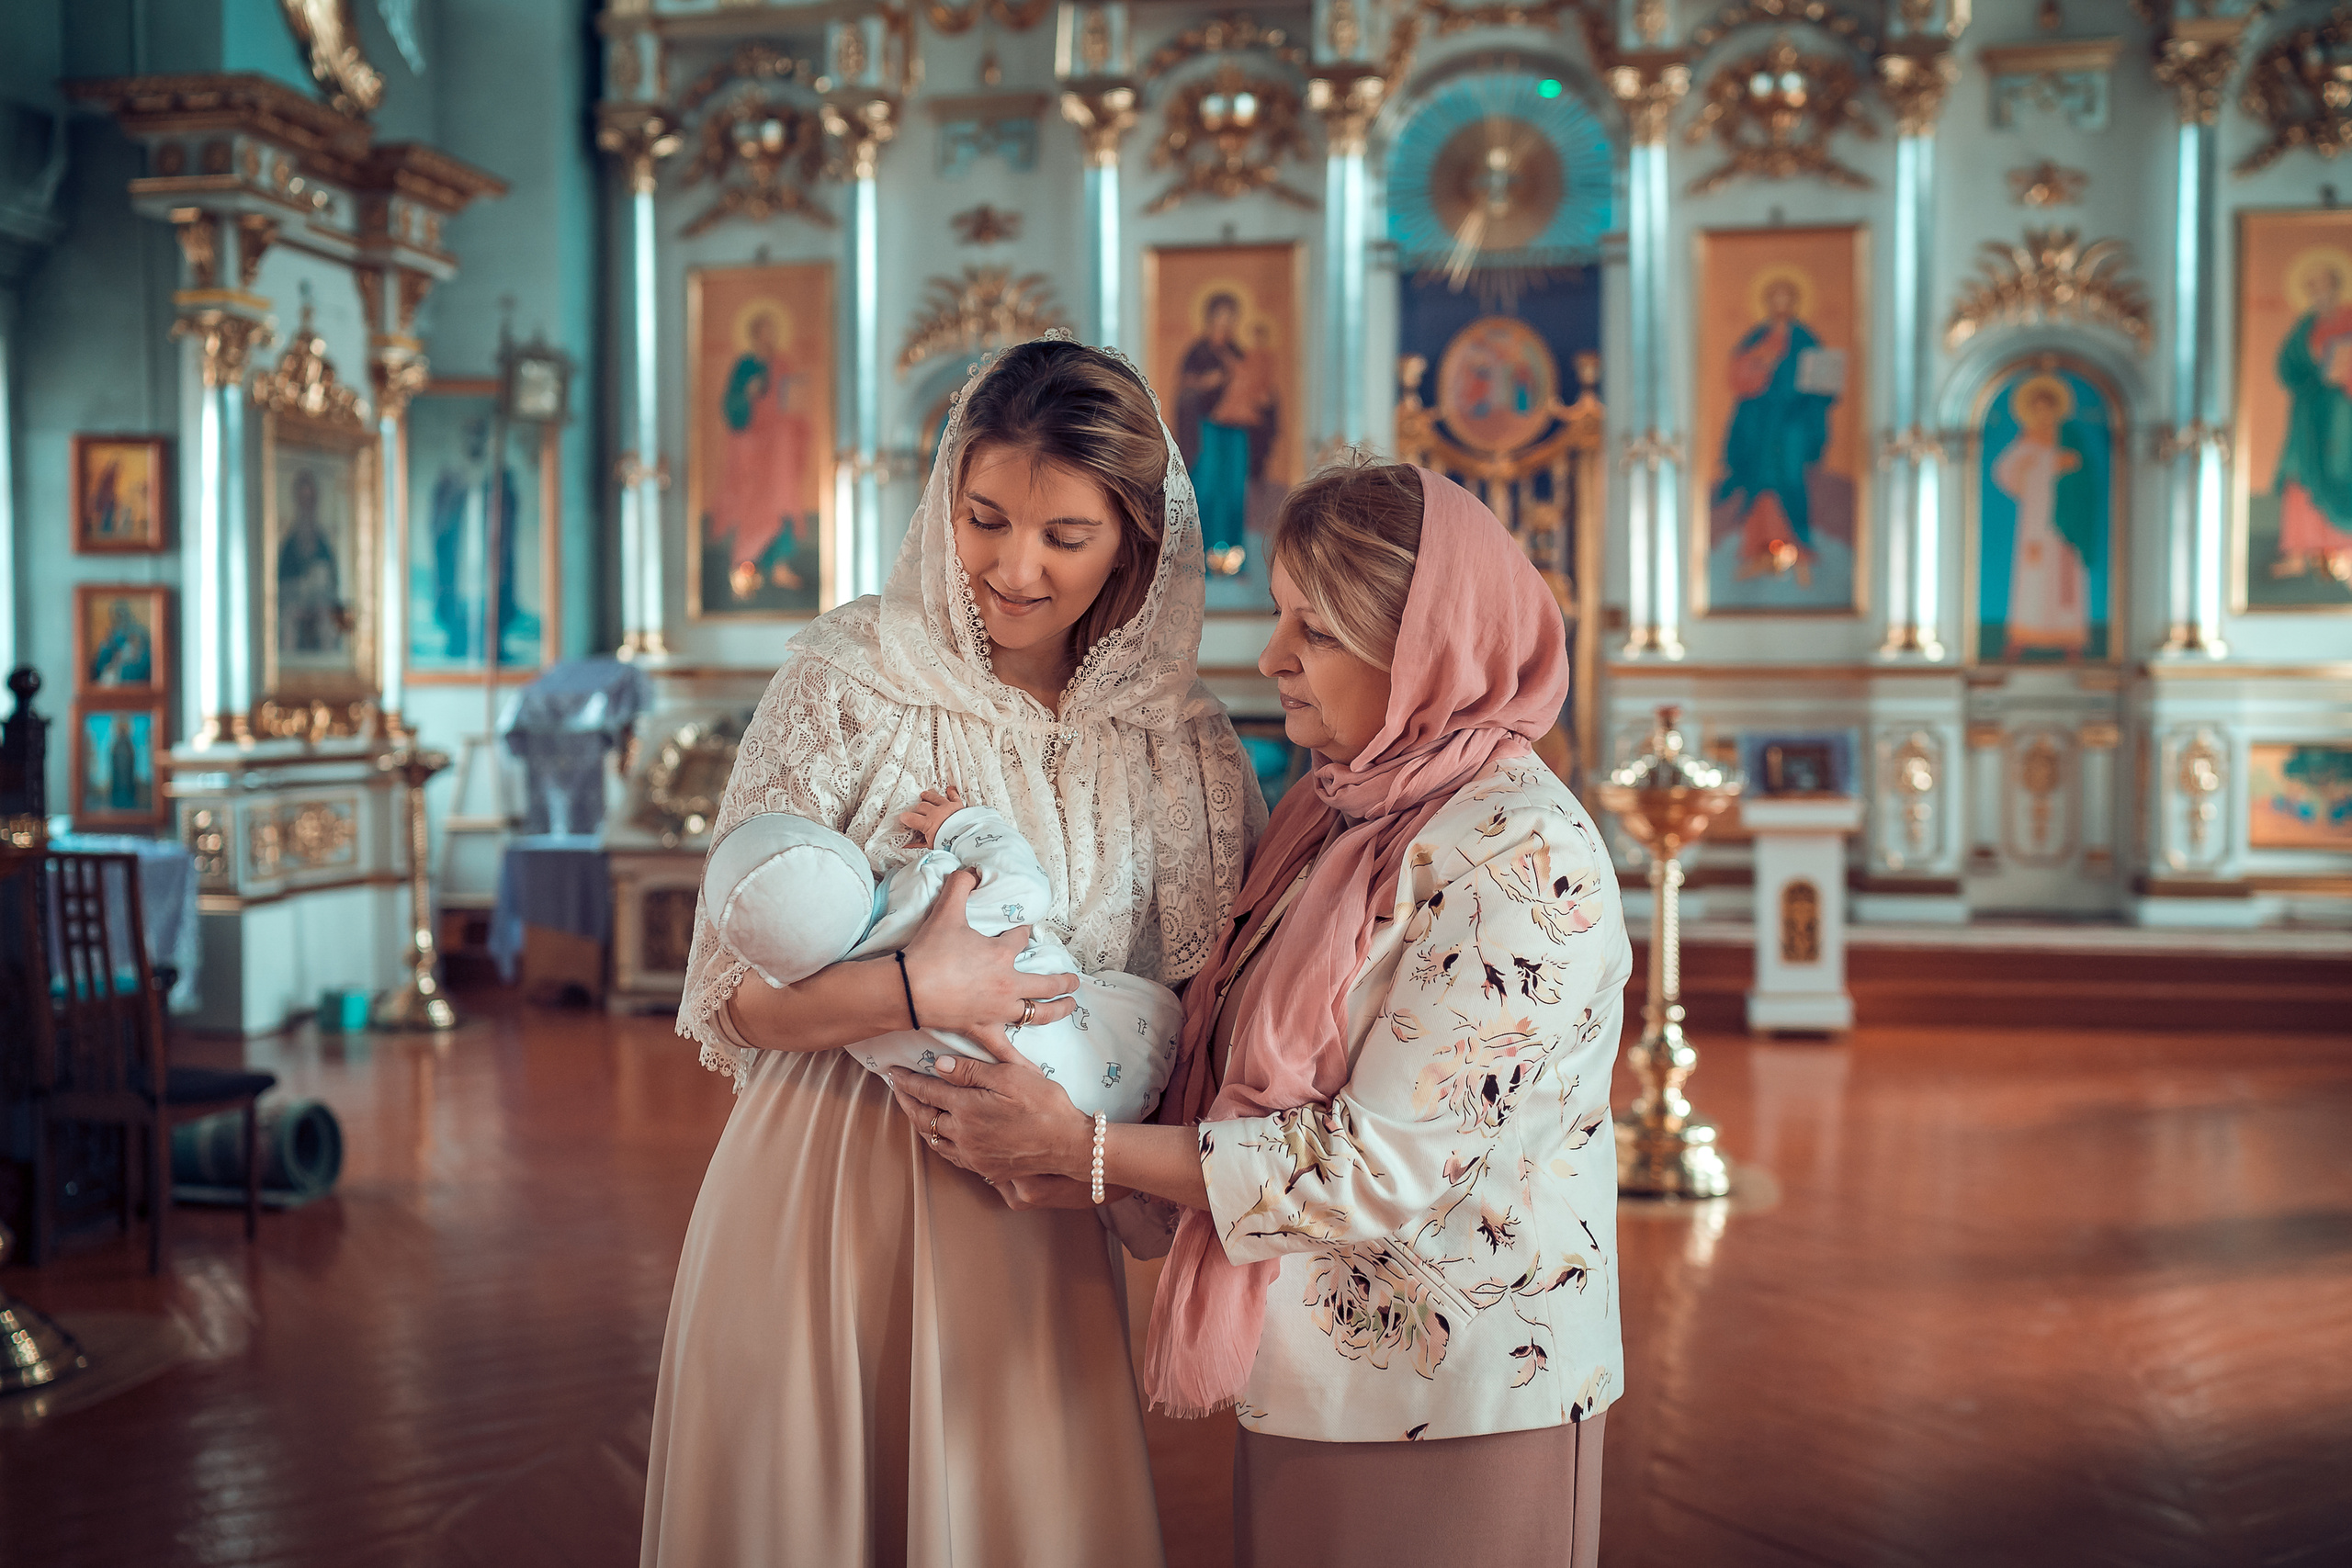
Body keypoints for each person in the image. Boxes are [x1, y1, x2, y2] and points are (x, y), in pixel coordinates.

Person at [894, 461, 1631, 1568]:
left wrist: (1085, 1150)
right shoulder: (1338, 814)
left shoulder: (1520, 855)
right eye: (1281, 614)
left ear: (1423, 650)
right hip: (1311, 1369)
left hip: (1465, 1389)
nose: (1271, 655)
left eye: (1316, 631)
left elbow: (1373, 1167)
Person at [641, 336, 1264, 1567]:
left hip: (1034, 1191)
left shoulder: (1182, 743)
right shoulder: (848, 676)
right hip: (829, 1177)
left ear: (1138, 539)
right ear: (944, 497)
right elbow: (732, 995)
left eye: (1064, 537)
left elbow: (1211, 1006)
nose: (1013, 568)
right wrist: (920, 985)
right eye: (984, 518)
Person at [699, 784, 1182, 1121]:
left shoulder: (850, 1027)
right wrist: (965, 826)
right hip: (1127, 1060)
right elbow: (1026, 889)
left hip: (1023, 1121)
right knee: (1129, 1003)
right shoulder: (928, 891)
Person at [1716, 276, 1835, 584]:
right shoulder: (1757, 337)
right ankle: (1758, 545)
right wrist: (1761, 362)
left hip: (1792, 425)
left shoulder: (1805, 339)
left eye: (1786, 298)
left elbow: (1823, 385)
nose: (1780, 305)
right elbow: (1739, 376)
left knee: (1791, 480)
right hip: (1760, 424)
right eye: (1775, 298)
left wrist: (1817, 392)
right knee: (1762, 480)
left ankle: (1799, 546)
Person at [711, 306, 812, 599]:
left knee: (783, 501)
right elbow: (731, 406)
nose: (769, 338)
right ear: (755, 335)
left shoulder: (782, 363)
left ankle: (779, 564)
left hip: (779, 446)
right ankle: (746, 565)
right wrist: (748, 393)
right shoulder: (745, 365)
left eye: (772, 332)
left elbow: (793, 402)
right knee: (755, 503)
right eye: (763, 332)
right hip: (753, 446)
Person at [1992, 375, 2097, 658]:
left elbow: (2086, 474)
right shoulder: (2026, 439)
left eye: (2048, 408)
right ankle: (2024, 635)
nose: (2043, 414)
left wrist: (2068, 466)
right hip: (2036, 521)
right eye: (2037, 408)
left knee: (2066, 576)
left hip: (2067, 521)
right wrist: (2040, 463)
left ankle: (2070, 638)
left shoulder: (2070, 437)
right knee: (2033, 574)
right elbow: (2004, 471)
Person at [1175, 294, 1275, 576]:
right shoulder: (1198, 353)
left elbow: (1257, 385)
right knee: (1206, 489)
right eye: (1221, 316)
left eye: (1232, 318)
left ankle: (1232, 562)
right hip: (1207, 429)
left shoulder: (1240, 353)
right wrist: (1206, 383)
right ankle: (1200, 561)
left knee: (1233, 491)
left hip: (1237, 431)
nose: (1227, 323)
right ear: (1210, 318)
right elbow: (1185, 389)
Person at [2270, 260, 2352, 583]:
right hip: (2310, 410)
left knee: (2340, 470)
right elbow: (2288, 365)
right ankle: (2299, 551)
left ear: (2336, 286)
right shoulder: (2306, 325)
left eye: (2321, 285)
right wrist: (2315, 373)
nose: (2316, 293)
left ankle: (2345, 547)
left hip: (2343, 413)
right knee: (2300, 471)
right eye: (2311, 287)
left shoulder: (2349, 318)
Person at [277, 469, 345, 656]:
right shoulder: (289, 546)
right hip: (293, 608)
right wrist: (299, 601)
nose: (307, 506)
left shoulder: (324, 545)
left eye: (310, 500)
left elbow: (334, 586)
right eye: (303, 500)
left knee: (334, 622)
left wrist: (320, 605)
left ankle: (332, 671)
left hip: (321, 607)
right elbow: (280, 588)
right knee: (287, 622)